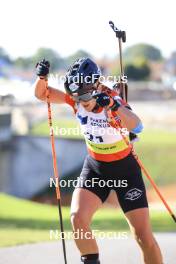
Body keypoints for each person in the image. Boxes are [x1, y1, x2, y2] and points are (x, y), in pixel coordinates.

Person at [34, 58, 163, 264]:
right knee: (77, 217)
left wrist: (113, 106)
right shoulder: (77, 98)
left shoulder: (111, 99)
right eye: (75, 97)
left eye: (84, 95)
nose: (80, 101)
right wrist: (41, 78)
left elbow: (137, 127)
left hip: (125, 171)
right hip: (96, 168)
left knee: (143, 237)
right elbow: (42, 94)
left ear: (95, 85)